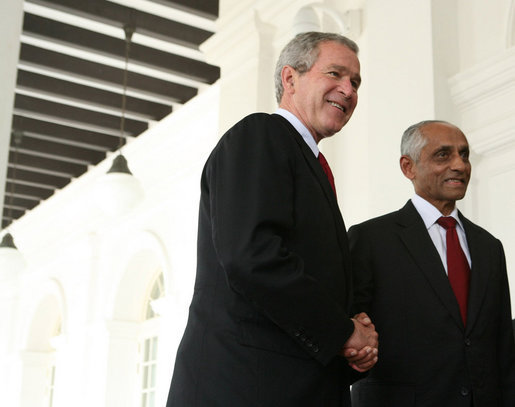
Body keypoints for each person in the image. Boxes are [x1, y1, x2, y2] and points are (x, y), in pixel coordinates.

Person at [166, 32, 378, 407]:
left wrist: (353, 348)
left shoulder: (308, 162)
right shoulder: (260, 134)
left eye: (355, 82)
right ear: (290, 79)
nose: (348, 90)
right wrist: (343, 332)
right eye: (335, 73)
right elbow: (252, 256)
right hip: (246, 386)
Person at [349, 120, 515, 406]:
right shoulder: (369, 239)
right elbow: (351, 332)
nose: (460, 166)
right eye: (443, 155)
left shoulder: (490, 247)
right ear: (408, 167)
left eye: (464, 155)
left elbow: (502, 346)